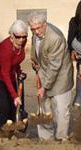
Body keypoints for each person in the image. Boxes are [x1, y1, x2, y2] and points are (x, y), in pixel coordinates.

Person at [28, 11, 73, 140]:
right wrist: (36, 63)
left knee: (60, 110)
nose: (36, 32)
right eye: (33, 29)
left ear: (45, 24)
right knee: (44, 107)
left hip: (60, 78)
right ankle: (46, 139)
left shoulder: (55, 38)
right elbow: (36, 52)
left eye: (38, 28)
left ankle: (61, 138)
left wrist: (44, 87)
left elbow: (54, 67)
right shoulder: (35, 34)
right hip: (45, 74)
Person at [0, 20, 28, 130]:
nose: (21, 40)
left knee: (14, 105)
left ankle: (13, 129)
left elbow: (16, 60)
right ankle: (2, 130)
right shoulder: (6, 48)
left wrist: (19, 71)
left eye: (24, 36)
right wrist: (15, 95)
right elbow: (4, 73)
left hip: (10, 73)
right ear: (12, 36)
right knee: (5, 105)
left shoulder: (22, 42)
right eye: (18, 37)